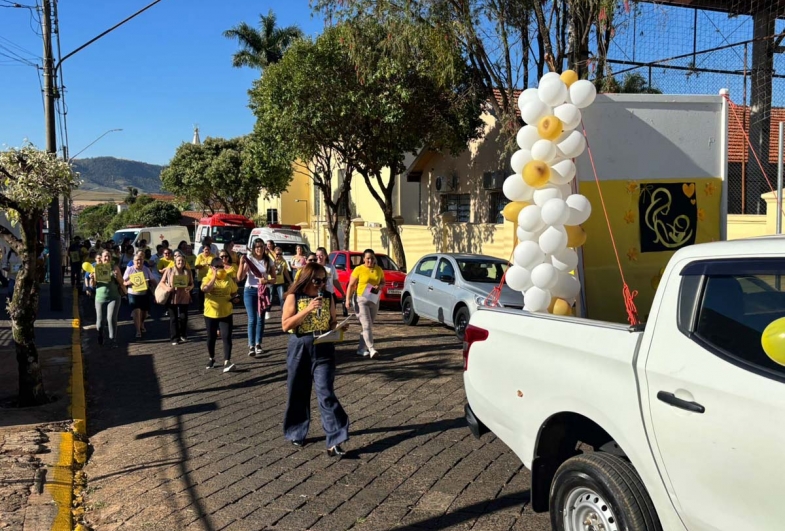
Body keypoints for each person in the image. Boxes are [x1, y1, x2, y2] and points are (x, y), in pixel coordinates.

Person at [282, 262, 349, 457]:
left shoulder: (328, 297)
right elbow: (285, 325)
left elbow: (332, 321)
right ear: (307, 278)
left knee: (326, 392)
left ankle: (335, 439)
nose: (321, 284)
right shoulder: (294, 296)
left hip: (324, 346)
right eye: (317, 280)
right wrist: (307, 309)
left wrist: (338, 327)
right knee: (298, 392)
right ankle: (296, 431)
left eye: (324, 280)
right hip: (300, 345)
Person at [237, 238, 275, 357]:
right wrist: (241, 264)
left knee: (260, 319)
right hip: (250, 291)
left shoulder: (268, 261)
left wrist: (266, 280)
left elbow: (275, 278)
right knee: (252, 319)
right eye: (256, 247)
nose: (259, 249)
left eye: (261, 246)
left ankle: (258, 344)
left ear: (264, 248)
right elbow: (240, 278)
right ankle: (251, 345)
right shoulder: (250, 260)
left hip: (263, 291)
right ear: (253, 248)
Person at [344, 249, 385, 358]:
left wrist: (380, 286)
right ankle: (371, 349)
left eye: (372, 258)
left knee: (368, 326)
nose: (370, 260)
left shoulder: (378, 269)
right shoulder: (359, 269)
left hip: (374, 300)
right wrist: (347, 300)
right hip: (361, 300)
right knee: (366, 325)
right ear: (363, 259)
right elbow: (351, 285)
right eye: (368, 258)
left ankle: (361, 349)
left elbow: (382, 282)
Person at [202, 256, 239, 372]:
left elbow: (234, 292)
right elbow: (206, 289)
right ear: (212, 267)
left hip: (226, 312)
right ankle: (211, 358)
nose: (221, 268)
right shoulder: (206, 278)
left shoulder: (228, 278)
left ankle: (227, 361)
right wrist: (213, 276)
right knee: (211, 338)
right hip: (211, 313)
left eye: (222, 266)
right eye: (218, 266)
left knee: (227, 337)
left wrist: (235, 298)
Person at [90, 249, 124, 348]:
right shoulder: (96, 267)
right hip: (100, 298)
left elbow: (122, 282)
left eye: (109, 256)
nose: (107, 258)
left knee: (111, 318)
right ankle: (100, 334)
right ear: (101, 257)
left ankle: (113, 339)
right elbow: (93, 285)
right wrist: (93, 278)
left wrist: (117, 277)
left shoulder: (114, 267)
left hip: (114, 297)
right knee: (100, 322)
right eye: (105, 256)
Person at [160, 251, 193, 345]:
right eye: (179, 261)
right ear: (175, 261)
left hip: (184, 296)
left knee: (183, 317)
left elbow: (191, 284)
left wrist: (190, 287)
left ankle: (183, 334)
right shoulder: (169, 270)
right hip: (172, 296)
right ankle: (174, 337)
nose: (180, 262)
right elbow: (162, 282)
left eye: (182, 261)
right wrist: (167, 288)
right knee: (173, 318)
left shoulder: (188, 271)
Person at [123, 251, 156, 339]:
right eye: (137, 260)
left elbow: (153, 280)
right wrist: (130, 282)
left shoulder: (146, 269)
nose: (139, 262)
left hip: (144, 294)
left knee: (144, 313)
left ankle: (141, 323)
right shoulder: (130, 269)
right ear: (133, 261)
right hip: (133, 293)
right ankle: (138, 330)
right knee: (136, 311)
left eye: (140, 260)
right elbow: (123, 282)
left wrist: (157, 288)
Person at [315, 247, 348, 317]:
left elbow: (335, 281)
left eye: (321, 255)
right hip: (317, 293)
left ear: (325, 256)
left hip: (330, 293)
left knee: (331, 313)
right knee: (319, 314)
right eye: (317, 255)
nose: (319, 258)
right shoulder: (314, 267)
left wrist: (342, 292)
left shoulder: (331, 267)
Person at [194, 243, 215, 312]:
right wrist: (203, 264)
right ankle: (200, 307)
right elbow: (196, 266)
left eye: (208, 249)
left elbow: (216, 264)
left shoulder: (213, 256)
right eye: (206, 249)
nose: (207, 251)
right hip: (201, 277)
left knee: (210, 292)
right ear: (203, 250)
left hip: (210, 277)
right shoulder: (199, 256)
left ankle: (209, 306)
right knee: (201, 293)